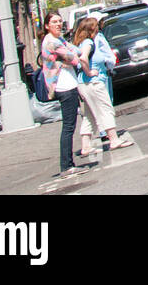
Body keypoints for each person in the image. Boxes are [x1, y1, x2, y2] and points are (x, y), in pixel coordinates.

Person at [40, 11, 99, 178]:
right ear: (47, 26)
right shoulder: (51, 42)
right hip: (62, 87)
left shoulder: (58, 40)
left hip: (69, 84)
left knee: (70, 126)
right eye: (54, 22)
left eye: (59, 21)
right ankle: (66, 166)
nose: (58, 24)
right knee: (68, 127)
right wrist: (73, 55)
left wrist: (74, 53)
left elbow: (74, 50)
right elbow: (73, 57)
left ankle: (68, 164)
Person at [72, 17, 131, 158]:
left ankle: (86, 146)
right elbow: (83, 58)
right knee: (106, 109)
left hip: (84, 84)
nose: (98, 29)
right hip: (93, 82)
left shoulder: (80, 43)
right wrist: (90, 72)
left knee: (89, 115)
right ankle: (114, 139)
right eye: (96, 27)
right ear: (91, 29)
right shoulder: (88, 43)